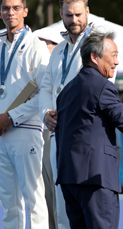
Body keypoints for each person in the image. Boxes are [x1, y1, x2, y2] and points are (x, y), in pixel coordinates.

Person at [54, 30, 123, 228]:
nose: (117, 62)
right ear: (94, 56)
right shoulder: (103, 86)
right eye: (114, 55)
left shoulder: (66, 89)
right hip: (95, 178)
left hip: (69, 177)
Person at [39, 0, 94, 229]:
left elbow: (100, 92)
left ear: (88, 12)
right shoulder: (58, 50)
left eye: (79, 15)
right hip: (57, 135)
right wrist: (45, 113)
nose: (75, 20)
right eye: (69, 15)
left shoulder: (98, 47)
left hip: (85, 136)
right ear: (61, 14)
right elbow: (46, 87)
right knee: (62, 209)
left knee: (88, 209)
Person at [0, 0, 50, 228]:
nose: (10, 13)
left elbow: (43, 92)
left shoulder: (35, 46)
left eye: (16, 8)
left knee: (33, 197)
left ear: (25, 11)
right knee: (9, 201)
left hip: (25, 128)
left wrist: (11, 117)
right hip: (1, 132)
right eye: (6, 8)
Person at [35, 26, 64, 229]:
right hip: (38, 133)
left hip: (54, 132)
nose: (42, 48)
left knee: (57, 190)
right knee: (45, 191)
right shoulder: (37, 69)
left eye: (46, 44)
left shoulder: (62, 66)